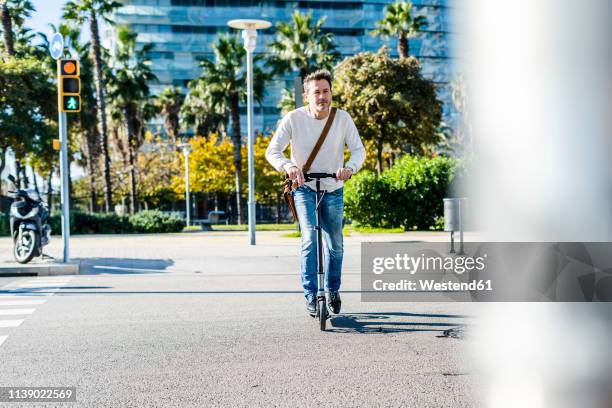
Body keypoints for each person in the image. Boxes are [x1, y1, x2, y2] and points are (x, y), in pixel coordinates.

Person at [265, 69, 366, 316]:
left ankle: (332, 289)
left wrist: (349, 168)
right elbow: (272, 151)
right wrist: (288, 166)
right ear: (307, 96)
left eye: (326, 91)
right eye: (316, 92)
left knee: (336, 244)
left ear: (331, 93)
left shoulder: (342, 118)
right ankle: (311, 294)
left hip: (334, 188)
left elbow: (358, 150)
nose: (322, 97)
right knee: (310, 238)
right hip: (304, 188)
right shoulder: (293, 118)